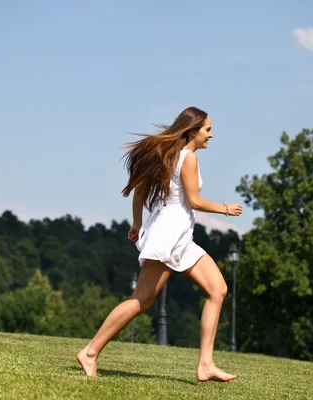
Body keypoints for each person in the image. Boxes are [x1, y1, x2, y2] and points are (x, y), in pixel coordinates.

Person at [77, 106, 243, 382]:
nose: (211, 135)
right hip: (169, 235)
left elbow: (140, 190)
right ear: (193, 131)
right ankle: (90, 352)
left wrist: (137, 223)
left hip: (180, 237)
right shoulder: (187, 158)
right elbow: (194, 201)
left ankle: (205, 365)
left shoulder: (169, 156)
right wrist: (225, 209)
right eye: (208, 130)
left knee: (218, 289)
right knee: (141, 301)